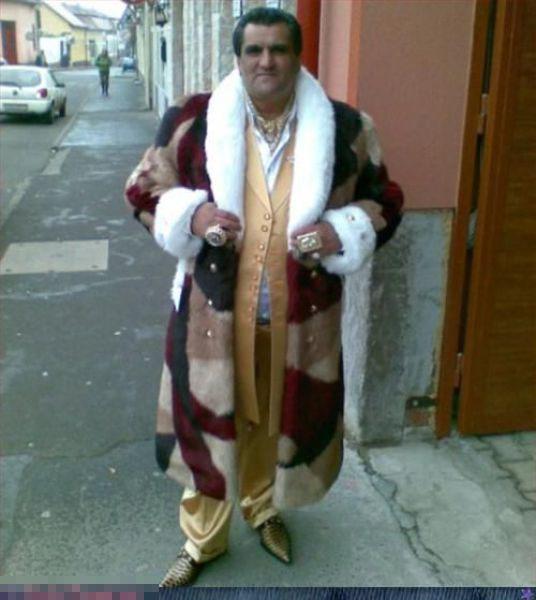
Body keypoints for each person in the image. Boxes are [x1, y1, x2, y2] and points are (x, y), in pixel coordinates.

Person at [124, 7, 403, 588]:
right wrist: (192, 216)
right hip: (212, 314)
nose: (266, 61)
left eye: (278, 49)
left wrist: (343, 230)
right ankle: (202, 540)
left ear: (297, 57)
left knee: (275, 419)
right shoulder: (193, 120)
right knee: (210, 423)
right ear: (238, 58)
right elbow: (143, 188)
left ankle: (262, 508)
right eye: (254, 50)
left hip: (300, 320)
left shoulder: (346, 128)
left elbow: (386, 201)